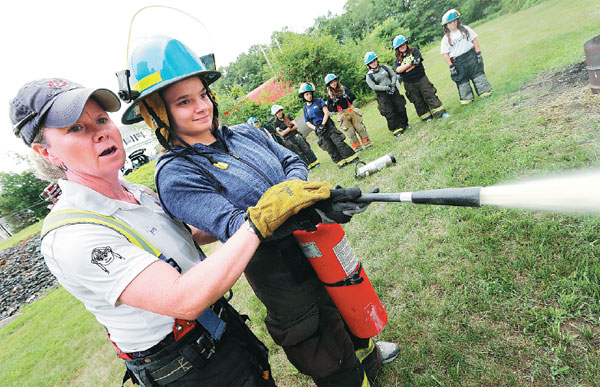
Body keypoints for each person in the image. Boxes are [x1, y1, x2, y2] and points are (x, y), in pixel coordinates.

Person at [10, 77, 333, 386]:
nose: (100, 134)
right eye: (77, 128)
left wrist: (233, 215)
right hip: (183, 366)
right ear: (47, 152)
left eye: (101, 120)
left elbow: (185, 239)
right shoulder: (74, 235)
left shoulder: (137, 193)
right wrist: (256, 222)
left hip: (221, 330)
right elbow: (182, 298)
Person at [120, 36, 399, 386]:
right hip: (280, 270)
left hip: (317, 237)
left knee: (346, 299)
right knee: (320, 342)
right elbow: (237, 225)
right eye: (183, 101)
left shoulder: (245, 133)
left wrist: (301, 195)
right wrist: (296, 202)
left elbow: (292, 160)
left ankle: (367, 355)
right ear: (157, 113)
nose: (201, 106)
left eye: (202, 95)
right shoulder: (177, 174)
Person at [299, 82, 359, 168]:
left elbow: (326, 112)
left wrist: (323, 124)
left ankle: (351, 157)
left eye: (310, 94)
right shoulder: (305, 109)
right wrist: (316, 128)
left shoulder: (318, 101)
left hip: (328, 126)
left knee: (338, 142)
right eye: (307, 94)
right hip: (319, 131)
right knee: (330, 148)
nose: (309, 96)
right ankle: (340, 162)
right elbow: (307, 122)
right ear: (303, 97)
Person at [440, 9, 492, 105]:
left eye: (455, 21)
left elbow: (474, 40)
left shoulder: (466, 29)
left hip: (471, 56)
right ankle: (467, 99)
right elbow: (445, 54)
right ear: (446, 25)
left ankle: (485, 93)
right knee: (462, 82)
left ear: (458, 20)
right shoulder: (446, 39)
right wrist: (451, 66)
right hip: (458, 62)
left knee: (478, 75)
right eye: (450, 22)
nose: (453, 24)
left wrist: (478, 53)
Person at [393, 35, 449, 122]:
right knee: (417, 101)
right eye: (400, 46)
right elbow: (398, 70)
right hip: (409, 84)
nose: (402, 46)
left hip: (421, 78)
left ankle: (441, 112)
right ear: (397, 48)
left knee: (430, 94)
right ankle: (427, 117)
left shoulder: (414, 50)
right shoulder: (396, 61)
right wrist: (410, 64)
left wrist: (405, 69)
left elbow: (418, 61)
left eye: (403, 44)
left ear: (406, 43)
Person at [364, 52, 410, 137]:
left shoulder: (385, 67)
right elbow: (373, 86)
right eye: (371, 62)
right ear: (368, 64)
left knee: (400, 107)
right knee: (389, 112)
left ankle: (404, 124)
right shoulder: (369, 76)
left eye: (374, 61)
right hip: (383, 96)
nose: (373, 63)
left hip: (393, 90)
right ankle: (396, 129)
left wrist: (392, 85)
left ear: (377, 60)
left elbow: (393, 75)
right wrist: (385, 88)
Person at [324, 73, 372, 152]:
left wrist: (347, 97)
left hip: (350, 110)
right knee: (350, 132)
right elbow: (330, 109)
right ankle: (357, 148)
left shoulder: (343, 89)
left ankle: (368, 143)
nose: (334, 83)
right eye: (331, 82)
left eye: (334, 81)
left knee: (360, 128)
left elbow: (353, 97)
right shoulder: (329, 96)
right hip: (342, 114)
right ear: (329, 85)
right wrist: (334, 103)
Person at [270, 104, 320, 170]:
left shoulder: (288, 117)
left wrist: (286, 130)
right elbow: (282, 133)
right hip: (289, 140)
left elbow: (296, 126)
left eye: (279, 111)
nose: (278, 113)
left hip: (296, 135)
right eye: (277, 112)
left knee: (306, 148)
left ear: (281, 111)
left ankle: (315, 162)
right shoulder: (276, 123)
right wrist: (290, 127)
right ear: (275, 114)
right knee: (299, 153)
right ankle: (307, 167)